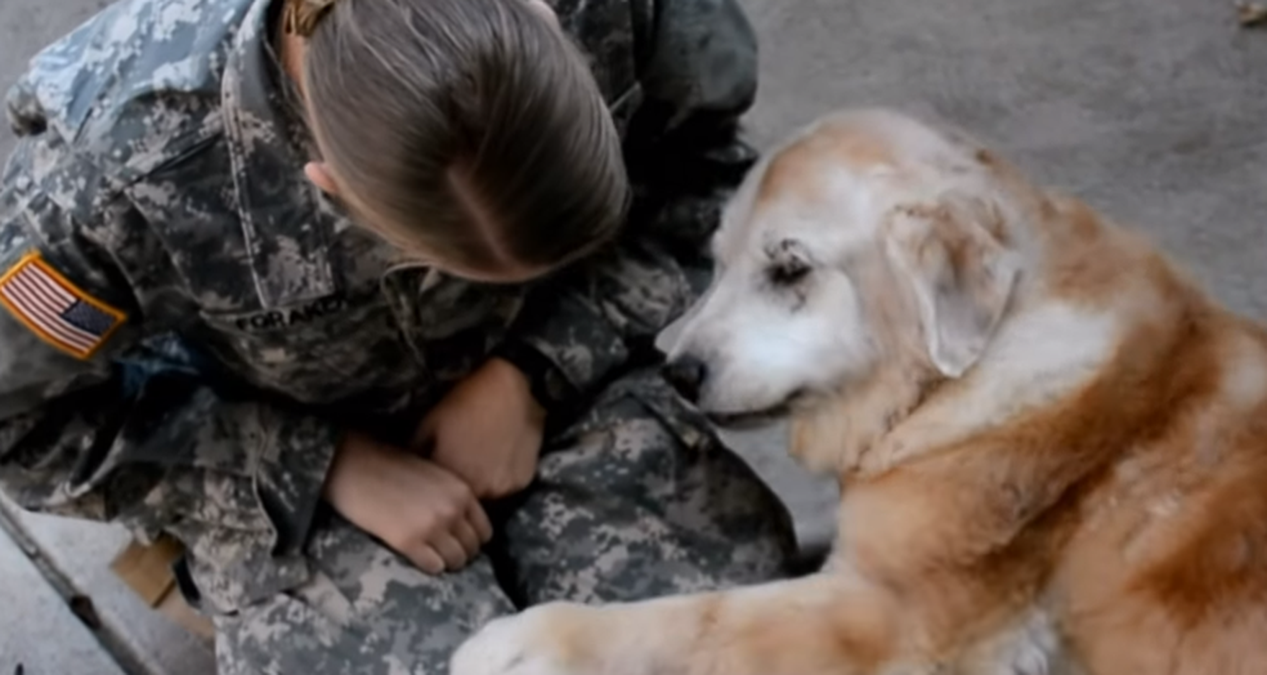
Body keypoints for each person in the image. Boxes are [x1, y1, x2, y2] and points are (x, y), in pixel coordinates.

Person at [0, 0, 798, 671]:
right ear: (329, 190)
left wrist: (534, 370)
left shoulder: (622, 10)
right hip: (286, 467)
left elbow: (717, 187)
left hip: (561, 379)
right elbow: (20, 424)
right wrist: (316, 465)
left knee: (744, 651)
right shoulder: (115, 179)